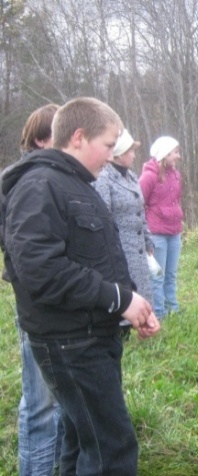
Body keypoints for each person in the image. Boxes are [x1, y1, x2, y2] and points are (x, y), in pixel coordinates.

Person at [1, 97, 161, 475]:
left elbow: (92, 257)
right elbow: (41, 269)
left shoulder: (75, 183)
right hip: (69, 341)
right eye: (107, 145)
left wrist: (131, 304)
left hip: (90, 335)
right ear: (78, 137)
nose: (110, 155)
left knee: (80, 440)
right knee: (112, 451)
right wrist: (119, 298)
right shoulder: (40, 185)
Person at [8, 104, 64, 476]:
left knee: (57, 401)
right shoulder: (30, 183)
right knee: (40, 405)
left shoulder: (50, 178)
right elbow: (31, 260)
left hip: (56, 308)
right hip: (36, 307)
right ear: (43, 139)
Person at [94, 129, 154, 335]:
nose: (134, 155)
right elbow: (104, 216)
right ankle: (121, 329)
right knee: (122, 288)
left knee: (139, 288)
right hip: (120, 249)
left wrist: (148, 240)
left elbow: (141, 211)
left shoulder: (132, 176)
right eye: (130, 151)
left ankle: (140, 322)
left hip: (137, 249)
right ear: (118, 153)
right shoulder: (104, 178)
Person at [139, 136, 183, 319]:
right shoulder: (149, 176)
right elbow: (139, 203)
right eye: (175, 152)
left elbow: (175, 201)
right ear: (164, 154)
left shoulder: (175, 174)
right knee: (158, 276)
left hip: (174, 232)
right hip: (157, 234)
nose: (178, 156)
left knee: (171, 274)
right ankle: (159, 313)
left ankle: (173, 307)